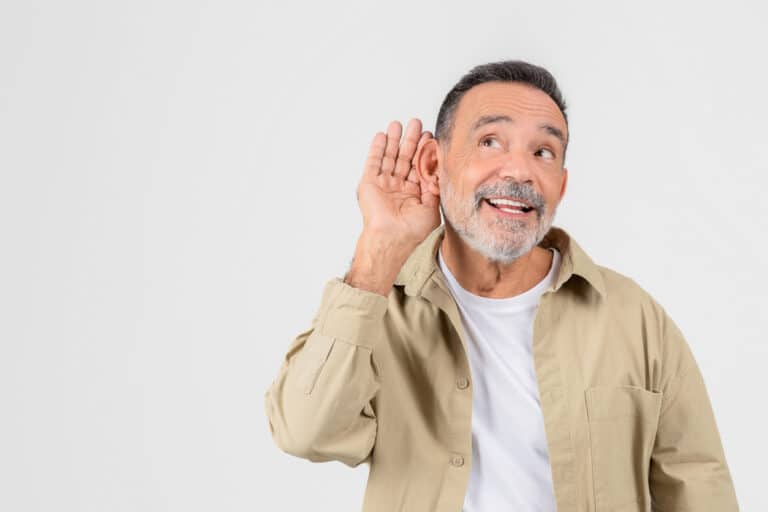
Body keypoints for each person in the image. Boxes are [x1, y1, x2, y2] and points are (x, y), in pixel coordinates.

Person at [264, 60, 739, 511]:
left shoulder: (636, 321)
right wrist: (378, 250)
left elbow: (700, 489)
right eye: (491, 141)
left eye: (543, 152)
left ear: (562, 184)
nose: (519, 172)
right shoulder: (381, 311)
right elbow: (305, 431)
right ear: (433, 164)